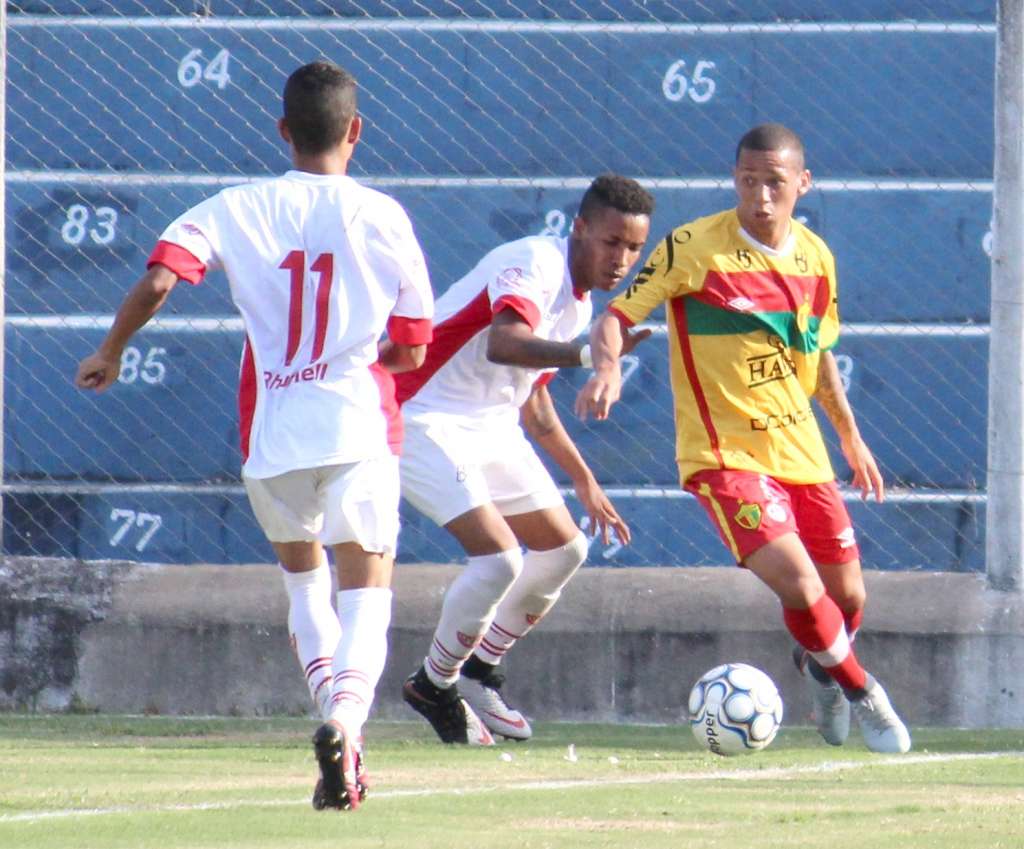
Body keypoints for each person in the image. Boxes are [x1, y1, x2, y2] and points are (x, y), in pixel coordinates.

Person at [74, 60, 435, 809]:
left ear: (283, 131)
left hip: (273, 440)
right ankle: (345, 720)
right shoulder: (383, 215)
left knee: (305, 587)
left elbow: (162, 278)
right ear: (356, 131)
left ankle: (339, 741)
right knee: (367, 594)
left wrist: (112, 349)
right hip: (354, 427)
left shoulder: (235, 206)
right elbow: (413, 346)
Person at [575, 124, 911, 755]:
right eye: (748, 182)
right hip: (724, 456)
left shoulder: (816, 257)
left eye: (774, 184)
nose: (760, 197)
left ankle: (820, 669)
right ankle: (867, 694)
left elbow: (818, 359)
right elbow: (617, 317)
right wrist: (607, 367)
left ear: (801, 185)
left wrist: (851, 438)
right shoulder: (695, 247)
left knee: (848, 598)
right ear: (735, 180)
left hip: (801, 450)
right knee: (803, 588)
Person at [395, 174, 654, 745]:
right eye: (612, 242)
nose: (622, 259)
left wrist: (583, 481)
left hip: (491, 427)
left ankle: (480, 672)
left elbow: (533, 403)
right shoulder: (534, 260)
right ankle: (432, 685)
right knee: (500, 562)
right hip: (419, 416)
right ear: (580, 229)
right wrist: (593, 355)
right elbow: (504, 342)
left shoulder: (579, 304)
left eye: (635, 248)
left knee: (565, 549)